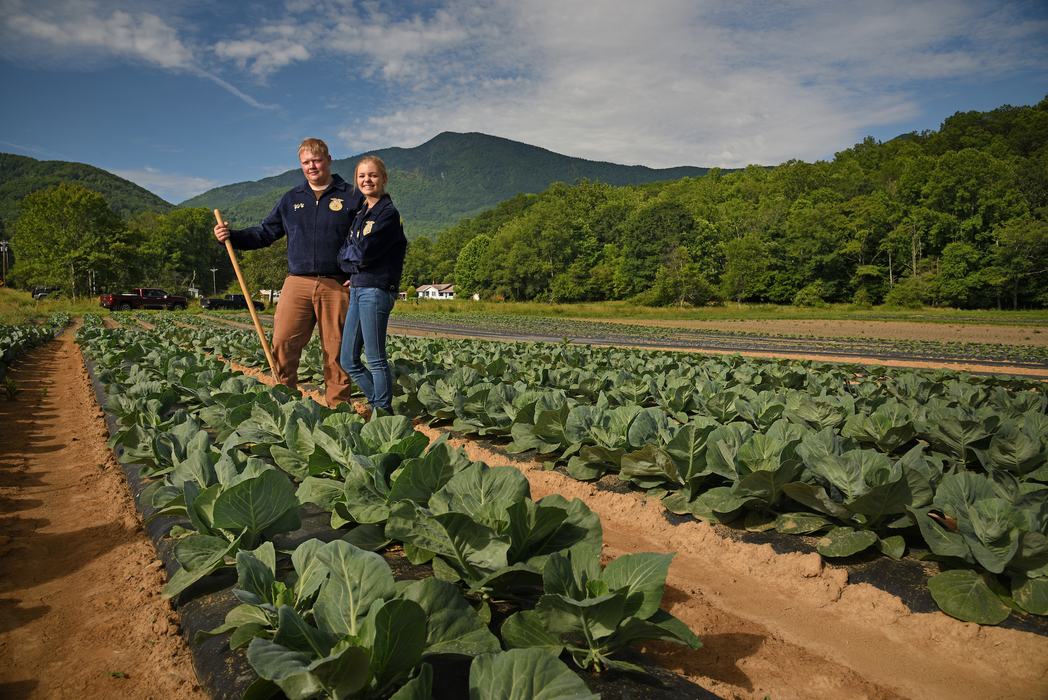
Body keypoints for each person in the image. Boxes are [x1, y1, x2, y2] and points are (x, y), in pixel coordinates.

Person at [213, 138, 362, 406]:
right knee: (283, 342)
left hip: (338, 284)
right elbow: (264, 233)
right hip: (297, 283)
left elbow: (369, 239)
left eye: (316, 160)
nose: (311, 166)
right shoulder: (292, 199)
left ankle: (338, 410)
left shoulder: (351, 196)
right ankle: (285, 402)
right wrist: (231, 236)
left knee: (337, 349)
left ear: (329, 160)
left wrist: (361, 272)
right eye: (305, 162)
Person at [338, 155, 407, 414]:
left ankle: (382, 411)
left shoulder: (388, 214)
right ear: (357, 181)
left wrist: (353, 257)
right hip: (357, 288)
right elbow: (343, 254)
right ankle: (380, 407)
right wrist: (352, 260)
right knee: (348, 359)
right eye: (362, 176)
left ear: (384, 179)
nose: (367, 180)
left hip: (376, 290)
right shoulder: (360, 214)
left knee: (376, 359)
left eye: (373, 175)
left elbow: (364, 252)